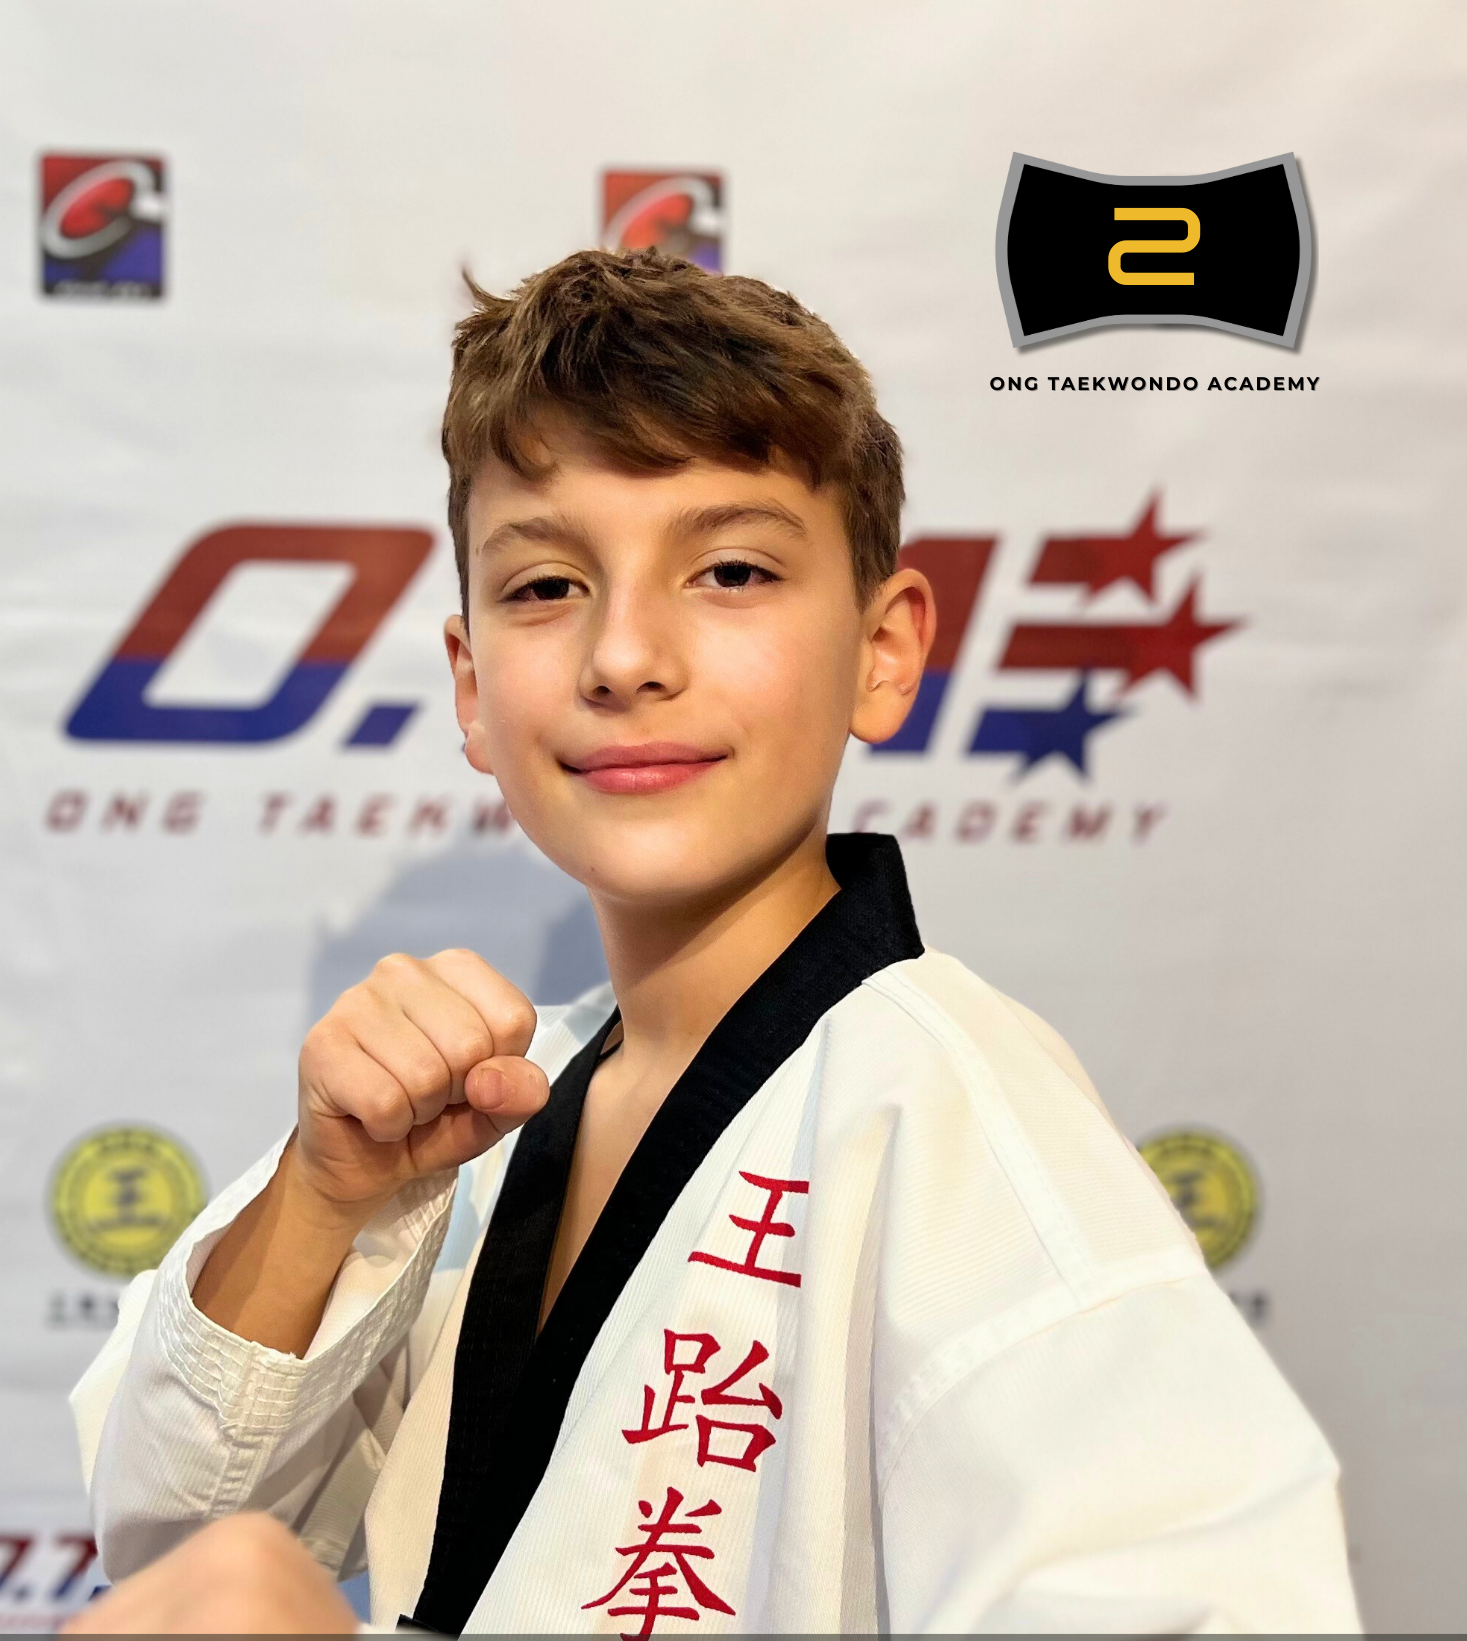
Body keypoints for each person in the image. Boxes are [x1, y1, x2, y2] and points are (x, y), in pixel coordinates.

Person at [70, 248, 1361, 1636]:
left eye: (730, 570)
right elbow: (171, 1530)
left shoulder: (945, 1115)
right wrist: (325, 1197)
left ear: (883, 649)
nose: (624, 656)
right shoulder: (487, 1112)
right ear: (471, 686)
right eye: (545, 586)